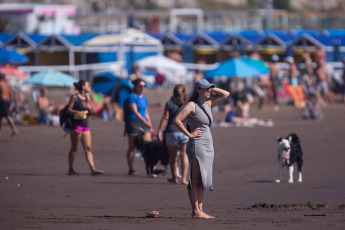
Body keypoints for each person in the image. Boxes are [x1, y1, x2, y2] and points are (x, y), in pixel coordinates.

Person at [174, 79, 230, 219]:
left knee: (202, 179)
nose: (208, 91)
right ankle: (195, 211)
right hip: (196, 143)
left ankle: (200, 210)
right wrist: (189, 134)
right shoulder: (192, 105)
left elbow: (226, 94)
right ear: (198, 89)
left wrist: (211, 88)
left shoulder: (208, 104)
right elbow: (177, 120)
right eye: (205, 89)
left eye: (209, 89)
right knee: (195, 178)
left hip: (208, 144)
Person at [66, 80, 104, 176]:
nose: (90, 87)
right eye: (88, 85)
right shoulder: (75, 97)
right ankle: (70, 169)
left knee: (88, 147)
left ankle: (93, 169)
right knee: (74, 148)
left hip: (85, 124)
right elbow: (68, 110)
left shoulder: (88, 98)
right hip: (75, 125)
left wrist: (89, 108)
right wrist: (77, 112)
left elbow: (91, 113)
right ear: (83, 87)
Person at [157, 84, 189, 184]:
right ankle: (184, 179)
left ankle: (174, 178)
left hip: (171, 132)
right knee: (184, 155)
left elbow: (166, 117)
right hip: (184, 132)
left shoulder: (169, 103)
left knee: (173, 156)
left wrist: (159, 130)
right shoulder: (187, 103)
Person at [124, 79, 154, 176]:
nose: (143, 88)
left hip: (144, 123)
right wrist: (145, 122)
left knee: (149, 146)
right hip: (133, 122)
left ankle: (152, 168)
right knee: (132, 147)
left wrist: (150, 125)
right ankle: (130, 168)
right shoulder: (132, 96)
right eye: (141, 86)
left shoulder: (145, 98)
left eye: (144, 86)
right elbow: (135, 112)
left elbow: (146, 112)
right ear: (136, 87)